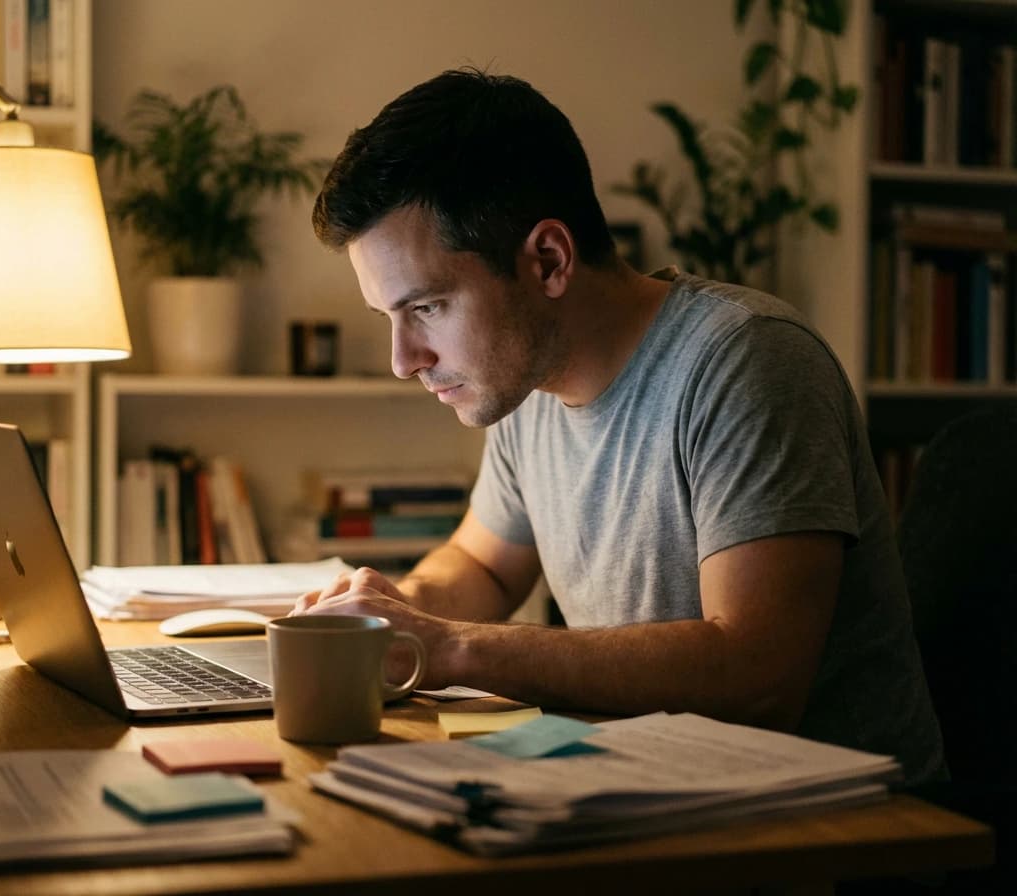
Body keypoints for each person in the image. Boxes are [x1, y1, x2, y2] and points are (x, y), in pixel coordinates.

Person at [297, 67, 944, 785]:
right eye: (388, 317)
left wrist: (448, 648)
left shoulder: (748, 360)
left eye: (426, 308)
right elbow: (481, 567)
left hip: (844, 836)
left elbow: (758, 674)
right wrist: (387, 613)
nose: (402, 360)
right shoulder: (524, 382)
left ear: (548, 260)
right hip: (652, 790)